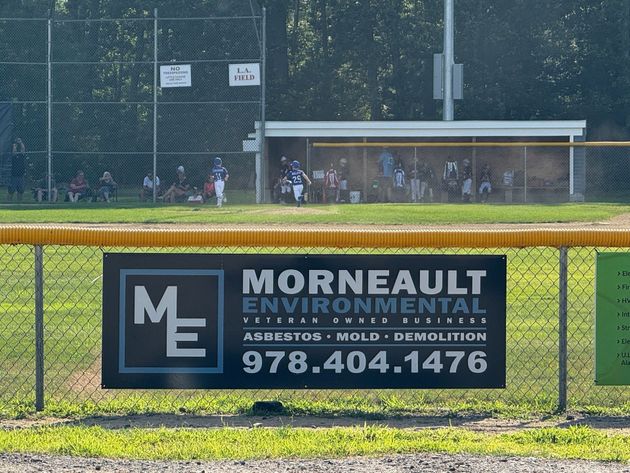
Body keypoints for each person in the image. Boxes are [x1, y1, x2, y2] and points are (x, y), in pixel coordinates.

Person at [8, 137, 27, 202]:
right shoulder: (13, 156)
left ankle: (19, 202)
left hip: (21, 175)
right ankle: (9, 202)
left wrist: (20, 142)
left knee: (20, 190)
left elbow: (23, 149)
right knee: (11, 190)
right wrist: (15, 144)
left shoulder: (22, 156)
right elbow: (13, 151)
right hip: (14, 175)